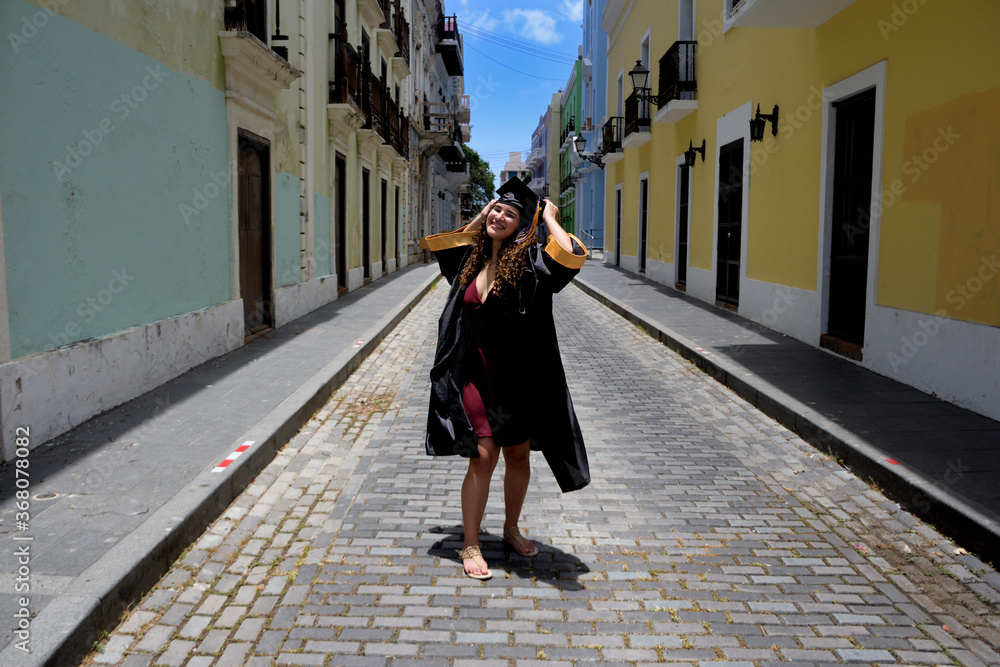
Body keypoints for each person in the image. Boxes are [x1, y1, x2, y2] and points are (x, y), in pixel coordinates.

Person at [421, 177, 590, 580]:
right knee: (482, 456)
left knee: (516, 454)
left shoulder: (532, 264)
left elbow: (570, 258)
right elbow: (443, 244)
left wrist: (547, 217)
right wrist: (486, 214)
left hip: (519, 379)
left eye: (509, 214)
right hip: (473, 375)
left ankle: (511, 528)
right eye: (497, 208)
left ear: (523, 226)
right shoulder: (472, 257)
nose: (499, 215)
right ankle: (471, 543)